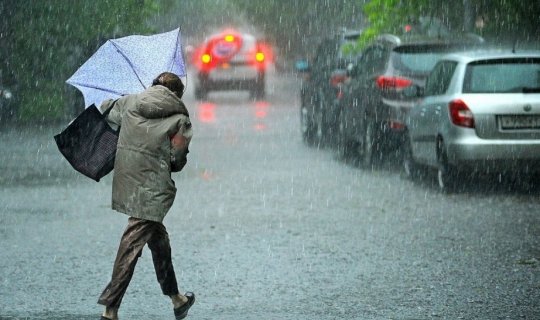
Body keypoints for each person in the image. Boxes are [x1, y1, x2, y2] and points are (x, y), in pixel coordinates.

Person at [97, 72, 195, 320]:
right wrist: (171, 163)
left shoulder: (130, 102)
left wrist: (128, 98)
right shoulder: (180, 118)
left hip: (128, 178)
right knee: (130, 245)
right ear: (177, 94)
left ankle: (177, 299)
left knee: (158, 240)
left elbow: (105, 107)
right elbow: (178, 157)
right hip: (153, 186)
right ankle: (110, 309)